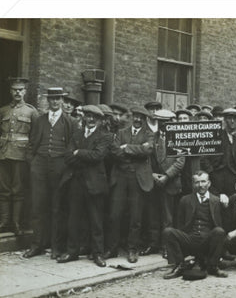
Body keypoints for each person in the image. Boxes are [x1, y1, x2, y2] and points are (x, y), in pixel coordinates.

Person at [56, 105, 111, 267]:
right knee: (73, 218)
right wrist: (80, 154)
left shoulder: (105, 136)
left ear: (100, 120)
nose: (91, 119)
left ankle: (98, 254)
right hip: (76, 182)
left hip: (94, 183)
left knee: (96, 220)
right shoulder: (77, 134)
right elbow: (67, 157)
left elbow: (98, 155)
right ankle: (72, 252)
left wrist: (78, 152)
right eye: (88, 116)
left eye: (94, 117)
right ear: (84, 117)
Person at [23, 87, 74, 259]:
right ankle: (37, 245)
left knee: (57, 207)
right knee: (38, 206)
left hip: (59, 167)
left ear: (62, 100)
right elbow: (31, 144)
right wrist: (33, 162)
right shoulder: (40, 120)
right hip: (39, 166)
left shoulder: (69, 121)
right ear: (47, 100)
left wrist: (65, 166)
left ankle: (56, 247)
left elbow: (72, 148)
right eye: (51, 99)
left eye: (58, 98)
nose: (55, 101)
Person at [105, 106, 154, 263]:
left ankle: (133, 249)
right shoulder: (121, 132)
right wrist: (134, 152)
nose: (138, 119)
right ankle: (112, 248)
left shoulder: (149, 134)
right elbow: (114, 151)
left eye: (141, 117)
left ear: (145, 119)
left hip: (137, 178)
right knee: (114, 214)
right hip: (120, 177)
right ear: (132, 117)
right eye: (136, 116)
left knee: (135, 216)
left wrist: (126, 148)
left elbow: (148, 151)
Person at [162, 171, 228, 279]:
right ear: (193, 184)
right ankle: (179, 265)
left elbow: (224, 223)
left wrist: (225, 204)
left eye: (203, 181)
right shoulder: (185, 200)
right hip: (190, 239)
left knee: (219, 231)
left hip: (208, 241)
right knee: (168, 232)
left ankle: (213, 266)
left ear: (209, 183)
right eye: (197, 182)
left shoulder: (216, 201)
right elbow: (180, 224)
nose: (201, 185)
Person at [141, 109, 185, 257]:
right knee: (153, 214)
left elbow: (180, 161)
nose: (163, 124)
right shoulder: (153, 137)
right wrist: (153, 175)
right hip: (154, 182)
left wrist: (166, 176)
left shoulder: (179, 138)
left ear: (172, 122)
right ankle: (153, 244)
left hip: (170, 183)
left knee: (168, 217)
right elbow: (147, 158)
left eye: (166, 122)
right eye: (160, 121)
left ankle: (168, 245)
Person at [0, 77, 38, 234]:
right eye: (14, 89)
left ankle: (16, 223)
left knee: (18, 189)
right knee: (3, 189)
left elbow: (35, 136)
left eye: (20, 90)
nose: (17, 92)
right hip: (3, 154)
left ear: (25, 91)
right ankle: (4, 222)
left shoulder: (31, 112)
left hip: (21, 156)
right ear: (10, 91)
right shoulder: (3, 111)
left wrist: (29, 155)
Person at [203, 108, 236, 197]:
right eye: (229, 118)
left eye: (235, 119)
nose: (232, 121)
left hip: (235, 177)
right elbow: (205, 157)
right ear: (224, 119)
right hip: (216, 177)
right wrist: (211, 172)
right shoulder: (215, 136)